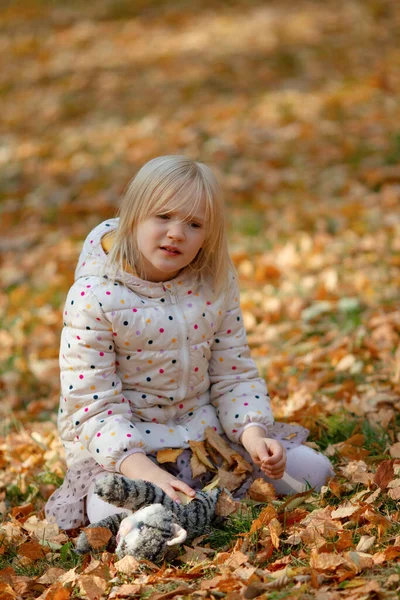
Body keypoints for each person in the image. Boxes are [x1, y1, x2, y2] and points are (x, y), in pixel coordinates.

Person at [46, 156, 333, 529]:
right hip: (128, 453)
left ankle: (199, 503)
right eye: (163, 217)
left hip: (206, 439)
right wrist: (149, 475)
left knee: (315, 471)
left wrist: (253, 435)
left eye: (194, 224)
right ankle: (165, 512)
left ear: (208, 235)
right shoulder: (94, 298)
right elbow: (93, 407)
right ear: (133, 215)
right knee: (115, 511)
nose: (176, 233)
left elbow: (234, 372)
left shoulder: (212, 281)